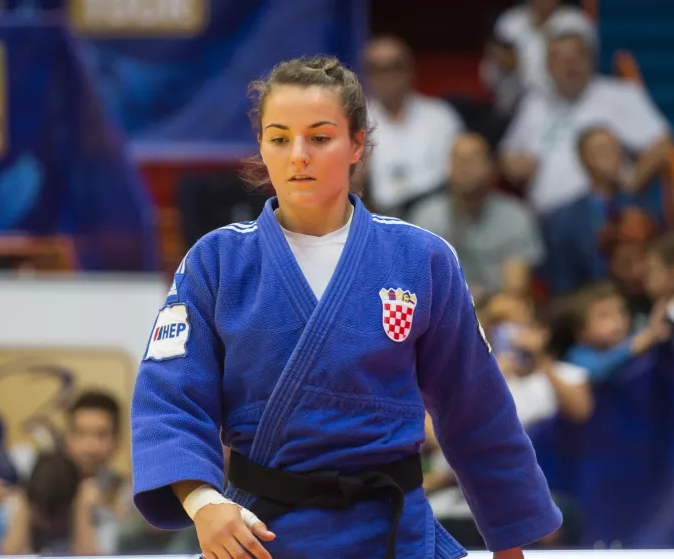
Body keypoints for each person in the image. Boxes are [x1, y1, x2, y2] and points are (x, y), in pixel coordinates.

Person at [130, 55, 561, 559]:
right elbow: (170, 399)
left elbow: (477, 407)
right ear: (261, 146)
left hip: (393, 535)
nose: (298, 156)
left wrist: (509, 544)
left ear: (356, 144)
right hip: (263, 537)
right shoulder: (218, 261)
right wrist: (204, 502)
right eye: (279, 138)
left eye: (319, 137)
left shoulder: (421, 258)